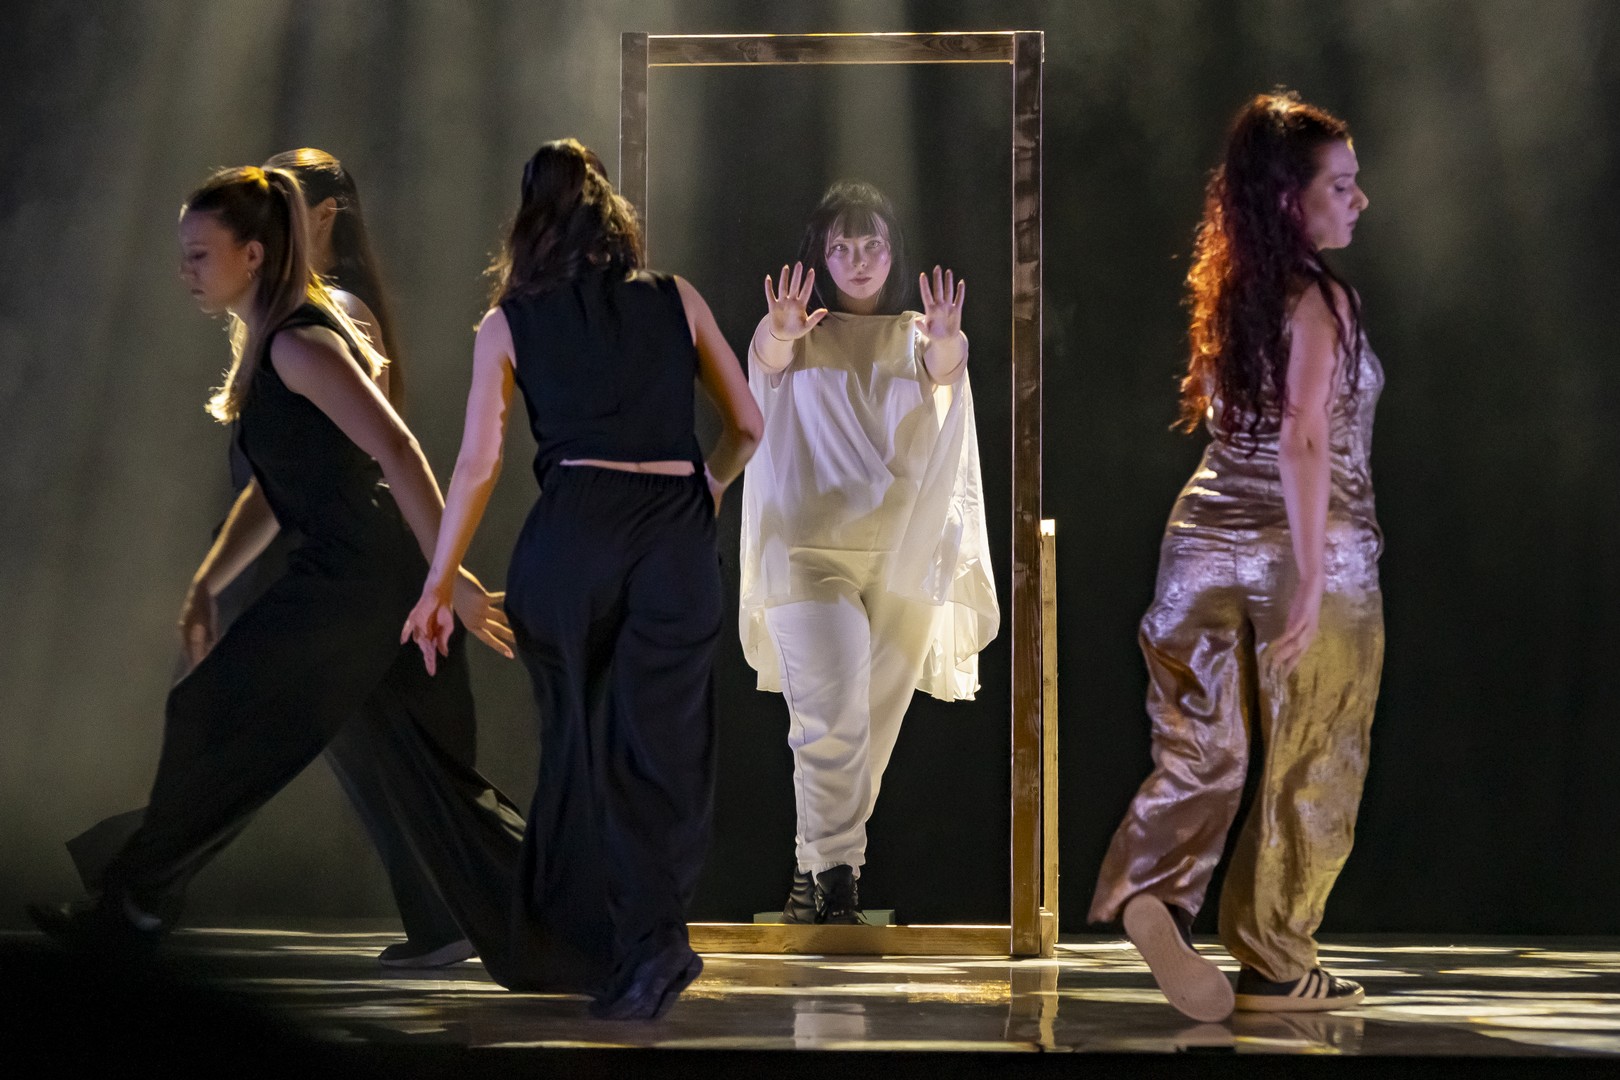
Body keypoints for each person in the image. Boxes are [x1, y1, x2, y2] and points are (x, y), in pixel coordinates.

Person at [29, 166, 522, 965]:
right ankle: (556, 918)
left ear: (253, 254)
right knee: (417, 770)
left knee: (211, 713)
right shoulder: (272, 341)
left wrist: (448, 578)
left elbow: (396, 448)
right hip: (355, 573)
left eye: (199, 254)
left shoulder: (300, 341)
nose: (185, 271)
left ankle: (136, 906)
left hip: (358, 579)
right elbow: (276, 485)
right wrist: (207, 581)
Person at [402, 139, 763, 1020]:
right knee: (660, 753)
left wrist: (439, 583)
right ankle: (651, 944)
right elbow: (748, 423)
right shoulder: (676, 298)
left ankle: (605, 949)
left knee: (585, 749)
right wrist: (706, 488)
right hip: (675, 536)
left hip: (573, 539)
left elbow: (479, 462)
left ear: (530, 219)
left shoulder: (508, 322)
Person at [1088, 91, 1382, 1021]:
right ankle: (1276, 959)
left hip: (1200, 540)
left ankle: (1153, 888)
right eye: (1341, 184)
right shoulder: (1323, 299)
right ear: (1292, 199)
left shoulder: (1230, 291)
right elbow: (1303, 438)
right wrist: (1308, 581)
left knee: (1197, 747)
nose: (1360, 199)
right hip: (1312, 545)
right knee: (1316, 750)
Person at [739, 181, 999, 925]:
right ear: (820, 258)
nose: (858, 259)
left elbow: (948, 367)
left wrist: (946, 337)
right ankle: (837, 879)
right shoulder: (796, 329)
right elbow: (767, 360)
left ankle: (812, 873)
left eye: (872, 245)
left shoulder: (919, 334)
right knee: (829, 716)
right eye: (842, 247)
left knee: (867, 727)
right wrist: (780, 330)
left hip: (899, 559)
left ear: (893, 253)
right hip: (809, 555)